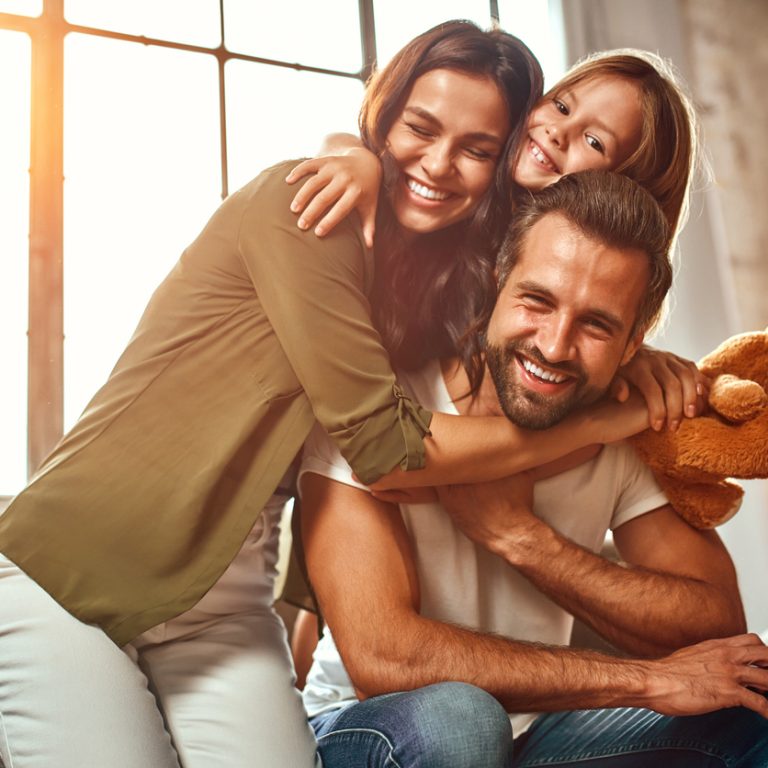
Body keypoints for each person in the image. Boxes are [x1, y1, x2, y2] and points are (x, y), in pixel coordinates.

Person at [0, 21, 601, 768]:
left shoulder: (434, 284)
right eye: (420, 128)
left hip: (220, 604)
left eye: (478, 149)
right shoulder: (304, 209)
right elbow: (386, 448)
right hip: (70, 567)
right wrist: (604, 421)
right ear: (383, 117)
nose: (440, 164)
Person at [298, 170, 768, 768]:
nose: (553, 345)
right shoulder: (379, 415)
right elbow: (385, 659)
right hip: (371, 730)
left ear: (634, 344)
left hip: (540, 733)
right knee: (462, 722)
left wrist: (522, 537)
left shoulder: (620, 429)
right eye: (537, 300)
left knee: (747, 701)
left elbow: (714, 624)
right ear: (498, 281)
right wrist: (646, 681)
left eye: (596, 324)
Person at [287, 47, 709, 431]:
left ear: (623, 192)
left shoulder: (556, 333)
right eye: (560, 106)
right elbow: (360, 142)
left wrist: (629, 358)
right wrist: (356, 157)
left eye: (594, 141)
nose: (558, 132)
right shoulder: (465, 186)